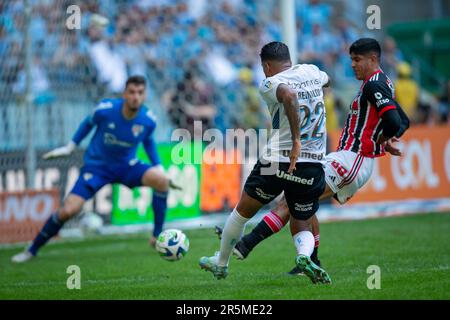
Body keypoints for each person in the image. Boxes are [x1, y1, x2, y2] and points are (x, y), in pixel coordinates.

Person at [216, 38, 410, 275]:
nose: (352, 65)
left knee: (290, 201)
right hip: (344, 157)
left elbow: (393, 120)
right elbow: (403, 120)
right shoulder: (381, 82)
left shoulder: (373, 85)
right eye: (350, 59)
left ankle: (247, 243)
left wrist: (382, 139)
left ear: (373, 59)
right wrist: (388, 139)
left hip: (353, 159)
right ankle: (311, 261)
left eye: (357, 60)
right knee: (305, 203)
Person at [199, 41, 332, 284]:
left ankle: (220, 263)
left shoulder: (270, 83)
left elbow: (289, 95)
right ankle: (304, 256)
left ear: (267, 66)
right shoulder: (312, 71)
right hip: (312, 164)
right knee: (300, 217)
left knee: (241, 213)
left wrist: (296, 141)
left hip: (278, 161)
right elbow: (327, 81)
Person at [12, 75, 180, 263]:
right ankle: (32, 249)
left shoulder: (148, 119)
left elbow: (148, 141)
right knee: (68, 210)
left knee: (162, 181)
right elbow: (87, 123)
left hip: (126, 166)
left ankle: (157, 235)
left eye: (140, 93)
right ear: (125, 94)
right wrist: (71, 146)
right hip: (98, 167)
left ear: (145, 95)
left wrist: (158, 167)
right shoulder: (106, 110)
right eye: (132, 92)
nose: (136, 97)